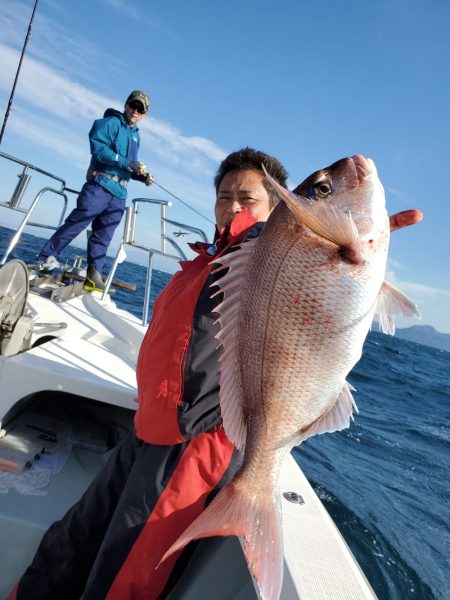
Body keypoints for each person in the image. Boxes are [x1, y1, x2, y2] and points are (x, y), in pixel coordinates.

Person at [10, 148, 422, 600]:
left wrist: (356, 239)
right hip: (148, 428)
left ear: (277, 207)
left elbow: (291, 260)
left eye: (247, 197)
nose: (233, 206)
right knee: (68, 543)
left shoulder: (259, 250)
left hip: (196, 442)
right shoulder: (208, 258)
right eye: (224, 195)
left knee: (122, 578)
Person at [37, 90, 154, 292]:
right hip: (100, 186)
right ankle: (46, 258)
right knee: (77, 223)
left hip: (119, 194)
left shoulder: (136, 136)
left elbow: (128, 167)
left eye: (140, 109)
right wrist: (128, 163)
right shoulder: (111, 123)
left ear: (144, 115)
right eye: (133, 106)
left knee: (104, 237)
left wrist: (142, 176)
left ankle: (93, 275)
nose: (135, 111)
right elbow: (98, 150)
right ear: (126, 105)